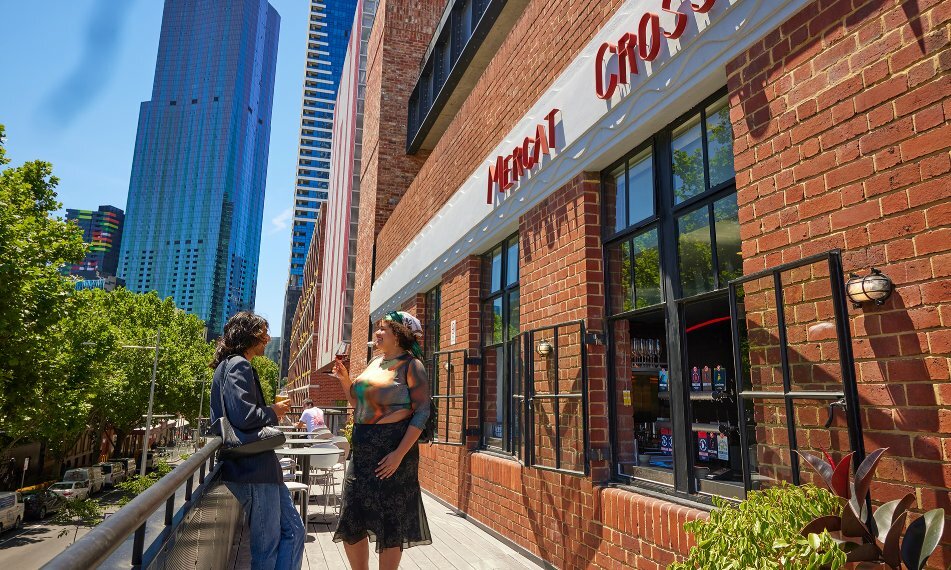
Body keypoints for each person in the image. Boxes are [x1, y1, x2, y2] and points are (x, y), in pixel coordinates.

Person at [332, 311, 432, 570]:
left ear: (399, 334)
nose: (376, 333)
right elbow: (357, 403)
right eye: (377, 328)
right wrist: (345, 380)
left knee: (390, 520)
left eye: (383, 329)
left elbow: (422, 411)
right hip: (363, 451)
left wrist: (399, 454)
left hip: (393, 451)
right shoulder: (375, 362)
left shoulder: (412, 365)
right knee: (352, 518)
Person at [209, 312, 305, 570]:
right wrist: (275, 411)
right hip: (253, 470)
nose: (266, 337)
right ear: (247, 335)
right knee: (267, 548)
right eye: (262, 332)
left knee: (294, 531)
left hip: (260, 469)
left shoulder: (229, 365)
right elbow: (245, 416)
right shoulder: (239, 364)